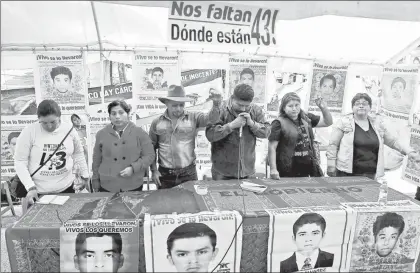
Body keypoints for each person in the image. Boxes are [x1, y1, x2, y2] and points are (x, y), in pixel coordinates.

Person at [327, 93, 420, 180]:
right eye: (357, 103)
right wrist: (331, 165)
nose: (361, 105)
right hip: (346, 172)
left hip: (370, 173)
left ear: (370, 107)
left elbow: (393, 141)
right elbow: (333, 145)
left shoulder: (377, 124)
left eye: (365, 103)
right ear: (352, 107)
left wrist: (409, 151)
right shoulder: (343, 123)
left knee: (368, 197)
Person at [14, 100, 89, 204]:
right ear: (38, 119)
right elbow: (20, 161)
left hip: (66, 188)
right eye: (44, 123)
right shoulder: (29, 132)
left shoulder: (69, 130)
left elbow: (78, 153)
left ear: (60, 117)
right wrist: (30, 187)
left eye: (53, 122)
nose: (49, 126)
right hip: (38, 192)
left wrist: (85, 175)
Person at [149, 85, 221, 189]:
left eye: (181, 105)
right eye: (174, 105)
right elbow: (151, 148)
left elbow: (211, 119)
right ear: (167, 103)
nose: (178, 109)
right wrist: (154, 170)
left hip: (188, 174)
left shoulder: (194, 117)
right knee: (166, 204)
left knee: (191, 203)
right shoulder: (157, 122)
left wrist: (216, 104)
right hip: (165, 175)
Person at [206, 83, 270, 180]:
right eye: (240, 105)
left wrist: (252, 124)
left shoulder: (256, 110)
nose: (243, 109)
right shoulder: (220, 108)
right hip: (222, 172)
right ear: (232, 98)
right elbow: (210, 134)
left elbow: (267, 132)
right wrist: (231, 126)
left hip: (248, 171)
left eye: (246, 106)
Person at [92, 100, 155, 192]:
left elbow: (150, 155)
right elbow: (96, 159)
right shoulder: (101, 134)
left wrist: (133, 168)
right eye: (113, 113)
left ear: (128, 114)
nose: (117, 117)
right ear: (109, 116)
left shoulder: (139, 133)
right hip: (107, 185)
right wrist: (95, 179)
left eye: (121, 113)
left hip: (133, 184)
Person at [268, 92, 333, 178]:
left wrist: (323, 108)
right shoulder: (278, 123)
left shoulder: (306, 118)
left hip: (308, 167)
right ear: (283, 108)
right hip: (287, 169)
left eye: (297, 105)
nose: (294, 109)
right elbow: (272, 147)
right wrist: (273, 169)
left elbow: (328, 122)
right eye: (290, 106)